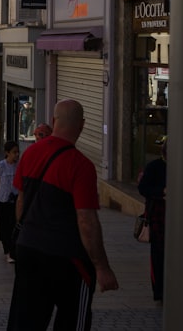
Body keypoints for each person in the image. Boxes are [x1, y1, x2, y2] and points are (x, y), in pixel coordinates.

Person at [7, 99, 119, 330]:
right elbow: (86, 220)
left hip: (28, 249)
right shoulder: (81, 165)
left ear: (54, 121)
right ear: (83, 125)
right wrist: (102, 267)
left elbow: (21, 201)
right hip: (68, 257)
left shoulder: (30, 153)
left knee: (26, 320)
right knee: (72, 319)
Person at [137, 135, 167, 303]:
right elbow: (143, 188)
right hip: (159, 218)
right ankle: (160, 291)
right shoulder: (155, 167)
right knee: (158, 254)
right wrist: (162, 192)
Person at [0, 140, 21, 263]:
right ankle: (7, 250)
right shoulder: (1, 165)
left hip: (16, 199)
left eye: (18, 152)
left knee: (15, 224)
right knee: (4, 224)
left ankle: (13, 249)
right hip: (3, 199)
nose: (16, 155)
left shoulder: (20, 165)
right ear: (7, 153)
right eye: (14, 152)